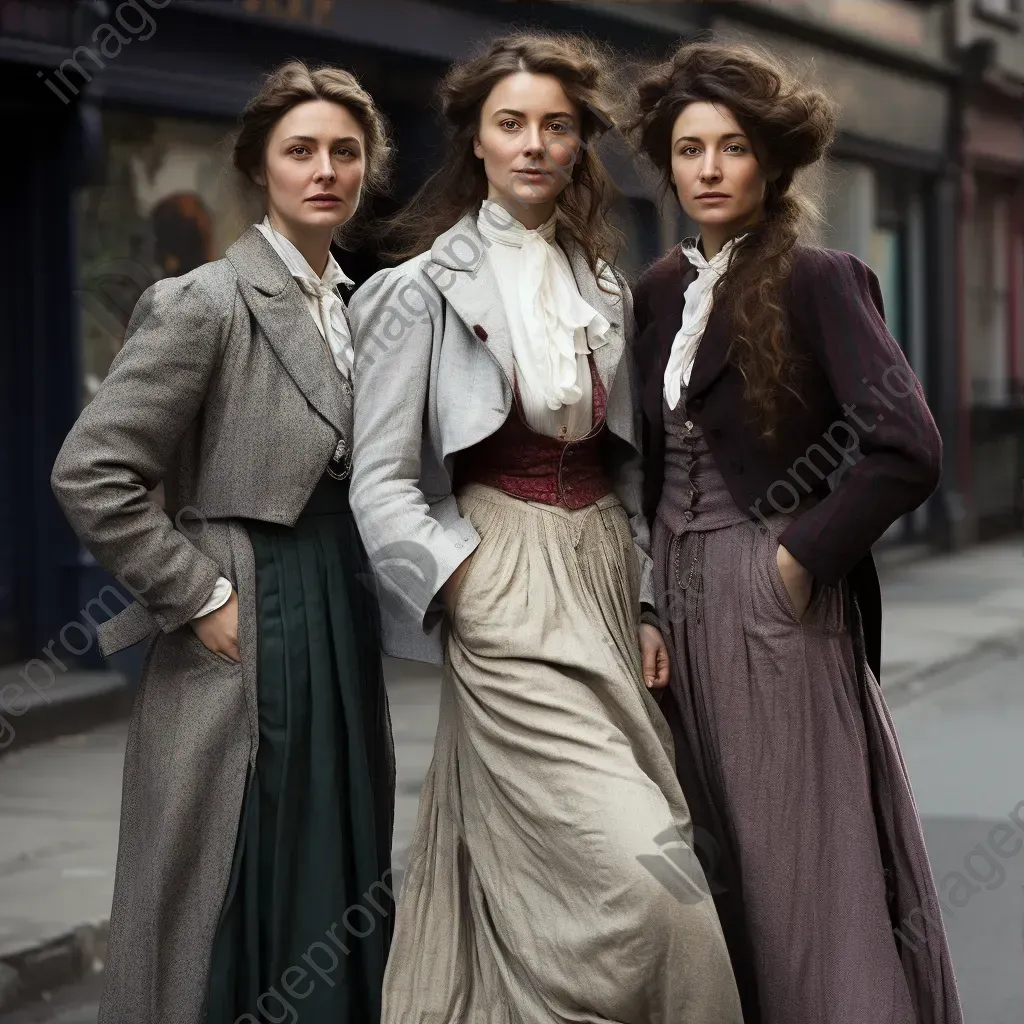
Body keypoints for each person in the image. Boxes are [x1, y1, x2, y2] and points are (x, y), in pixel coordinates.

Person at [348, 31, 743, 1024]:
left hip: (605, 580)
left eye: (555, 126)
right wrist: (457, 585)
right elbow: (381, 480)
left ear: (578, 145)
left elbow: (629, 463)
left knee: (579, 869)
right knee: (652, 888)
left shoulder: (605, 288)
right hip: (499, 578)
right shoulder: (414, 292)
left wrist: (647, 600)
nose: (533, 143)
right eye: (510, 123)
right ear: (474, 141)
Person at [624, 40, 964, 1024]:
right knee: (709, 863)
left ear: (769, 160)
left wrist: (796, 557)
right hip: (679, 603)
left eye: (731, 146)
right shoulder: (655, 292)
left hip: (775, 604)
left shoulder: (819, 278)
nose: (709, 168)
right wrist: (648, 601)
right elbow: (646, 465)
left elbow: (906, 444)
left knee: (801, 859)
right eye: (689, 149)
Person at [51, 61, 396, 1024]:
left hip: (336, 606)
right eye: (300, 151)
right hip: (248, 606)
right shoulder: (203, 301)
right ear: (259, 169)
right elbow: (91, 470)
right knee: (230, 863)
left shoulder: (363, 308)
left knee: (338, 851)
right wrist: (202, 597)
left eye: (344, 151)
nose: (324, 169)